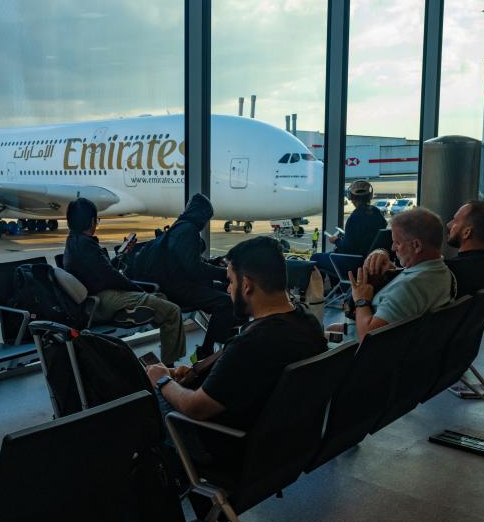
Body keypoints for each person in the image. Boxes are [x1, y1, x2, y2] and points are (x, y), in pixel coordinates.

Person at [145, 236, 326, 461]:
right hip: (281, 444)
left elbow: (196, 408)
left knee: (141, 402)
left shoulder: (252, 344)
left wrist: (162, 380)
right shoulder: (309, 323)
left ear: (247, 285)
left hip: (223, 445)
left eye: (230, 281)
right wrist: (196, 373)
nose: (229, 289)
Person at [63, 197, 186, 365]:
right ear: (91, 221)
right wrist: (137, 289)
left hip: (96, 301)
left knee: (160, 299)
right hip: (103, 300)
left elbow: (102, 270)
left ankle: (127, 313)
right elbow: (110, 276)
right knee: (172, 311)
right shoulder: (86, 245)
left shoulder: (73, 243)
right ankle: (169, 367)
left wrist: (122, 254)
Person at [134, 193, 234, 360]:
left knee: (223, 294)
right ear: (202, 215)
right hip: (178, 289)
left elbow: (185, 262)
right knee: (224, 302)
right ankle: (207, 352)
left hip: (172, 284)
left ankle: (220, 341)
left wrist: (213, 263)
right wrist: (225, 274)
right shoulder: (189, 231)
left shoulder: (178, 227)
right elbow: (195, 269)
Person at [345, 207, 455, 341]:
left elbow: (368, 338)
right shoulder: (441, 271)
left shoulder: (409, 287)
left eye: (397, 243)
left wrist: (361, 300)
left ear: (416, 246)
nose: (392, 248)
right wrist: (388, 276)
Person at [364, 201, 484, 299]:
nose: (449, 225)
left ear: (467, 232)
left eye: (455, 221)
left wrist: (381, 252)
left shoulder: (444, 273)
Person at [311, 180, 386, 283]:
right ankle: (339, 289)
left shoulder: (355, 217)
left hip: (354, 263)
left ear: (351, 197)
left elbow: (348, 248)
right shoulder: (377, 213)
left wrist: (336, 240)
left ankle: (320, 294)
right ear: (370, 196)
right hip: (370, 261)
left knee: (315, 257)